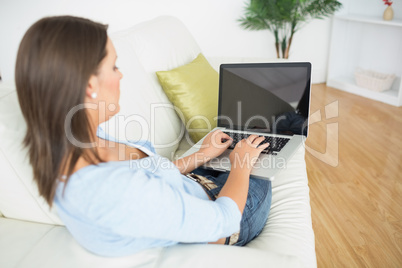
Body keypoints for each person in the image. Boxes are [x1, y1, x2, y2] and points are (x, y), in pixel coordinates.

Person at [15, 15, 272, 257]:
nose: (121, 74)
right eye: (114, 66)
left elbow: (151, 180)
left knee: (250, 137)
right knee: (267, 151)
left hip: (194, 186)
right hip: (230, 217)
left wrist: (201, 155)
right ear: (89, 85)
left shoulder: (78, 138)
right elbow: (224, 221)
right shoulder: (111, 192)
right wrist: (241, 165)